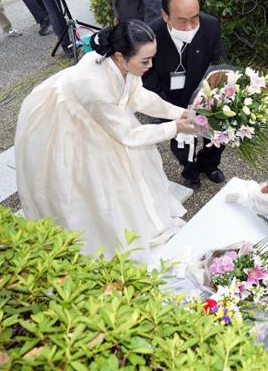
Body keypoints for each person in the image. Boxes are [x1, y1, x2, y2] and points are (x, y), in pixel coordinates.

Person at [15, 20, 196, 262]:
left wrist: (177, 112)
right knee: (91, 181)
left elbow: (137, 95)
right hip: (70, 122)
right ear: (121, 57)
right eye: (145, 61)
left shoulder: (121, 65)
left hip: (104, 114)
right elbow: (128, 136)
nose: (150, 66)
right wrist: (174, 127)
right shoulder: (94, 87)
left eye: (152, 58)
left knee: (130, 171)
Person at [143, 0, 228, 190]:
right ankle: (189, 169)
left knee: (218, 135)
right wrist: (169, 110)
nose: (190, 26)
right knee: (182, 140)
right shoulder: (150, 34)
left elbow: (220, 60)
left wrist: (215, 92)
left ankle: (209, 163)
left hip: (203, 93)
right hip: (170, 98)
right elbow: (147, 76)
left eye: (195, 18)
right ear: (165, 15)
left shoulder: (209, 25)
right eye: (181, 20)